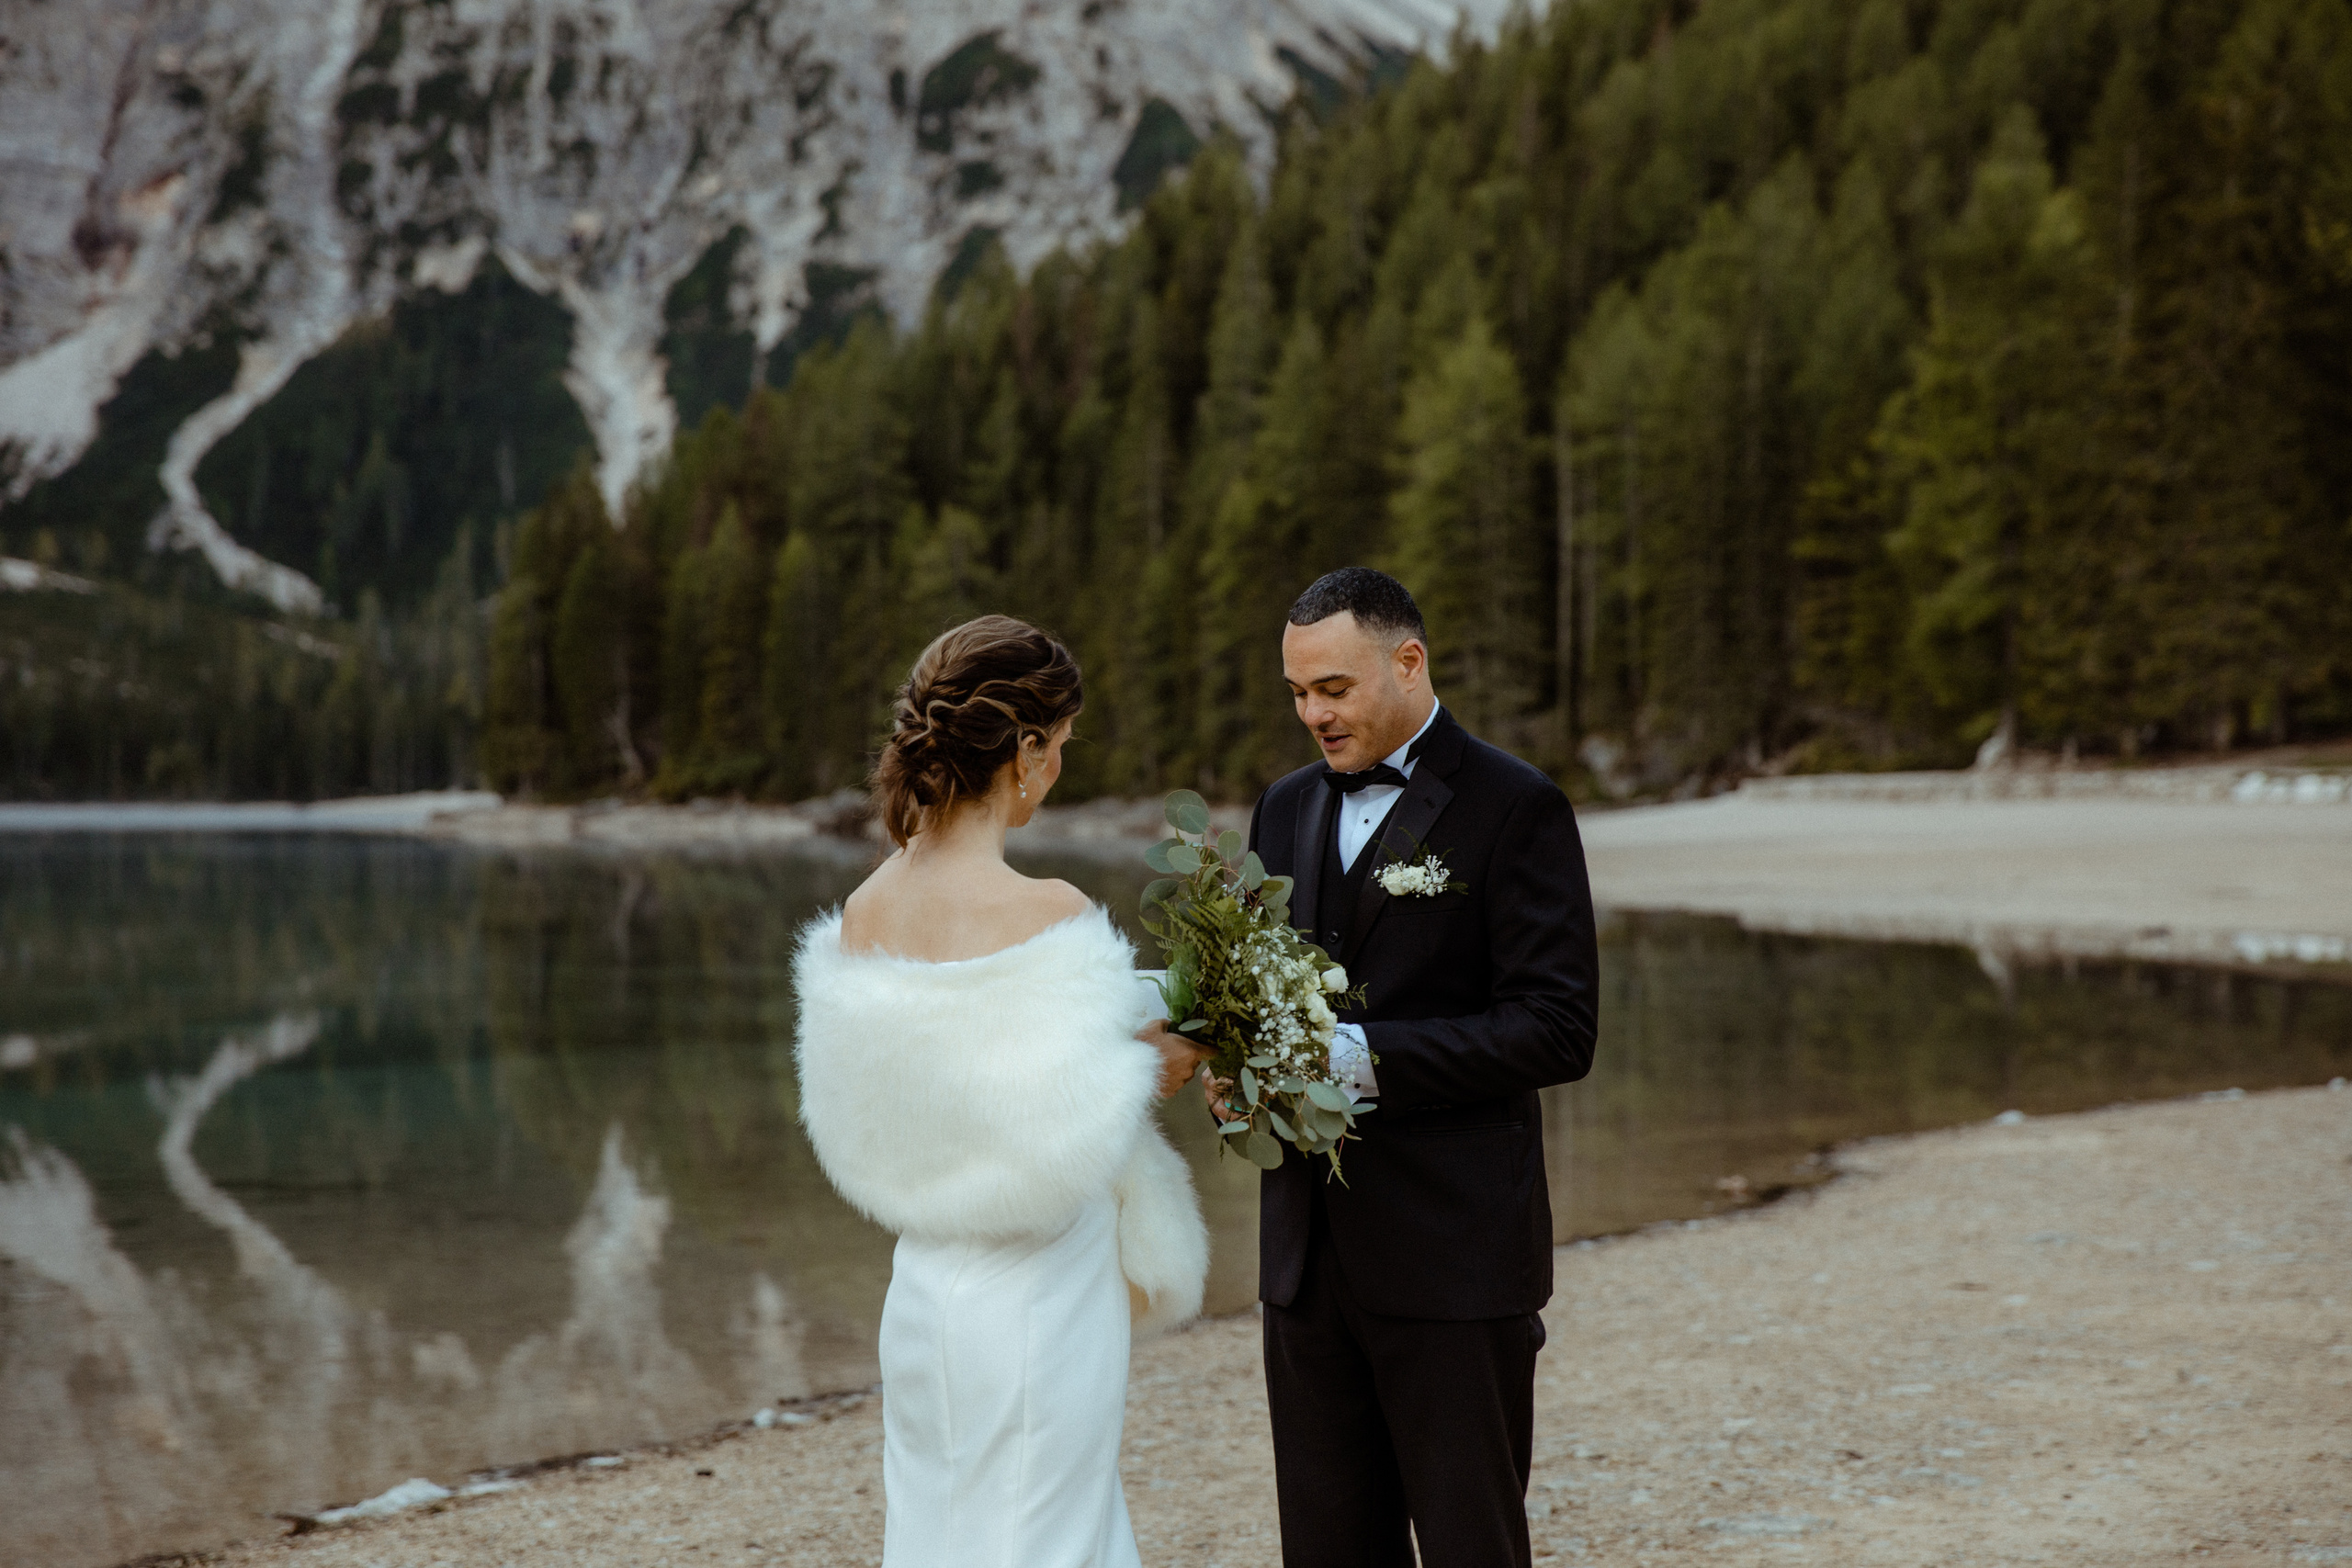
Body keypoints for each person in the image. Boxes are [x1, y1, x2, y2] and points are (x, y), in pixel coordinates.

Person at [792, 615, 1214, 1568]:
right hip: (1040, 1297)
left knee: (940, 1536)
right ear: (1022, 748)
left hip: (928, 1292)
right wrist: (1153, 1068)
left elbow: (914, 1112)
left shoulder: (865, 910)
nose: (1058, 769)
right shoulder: (1047, 911)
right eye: (1058, 747)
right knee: (1051, 1540)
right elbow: (1055, 1127)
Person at [1242, 568, 1600, 1568]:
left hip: (1454, 1256)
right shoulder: (1280, 810)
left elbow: (1557, 1029)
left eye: (1334, 689)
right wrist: (1245, 1072)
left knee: (1470, 1548)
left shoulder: (1514, 806)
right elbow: (1272, 1003)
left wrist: (1357, 1059)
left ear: (1408, 662)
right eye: (1298, 693)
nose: (1313, 713)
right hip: (1305, 1263)